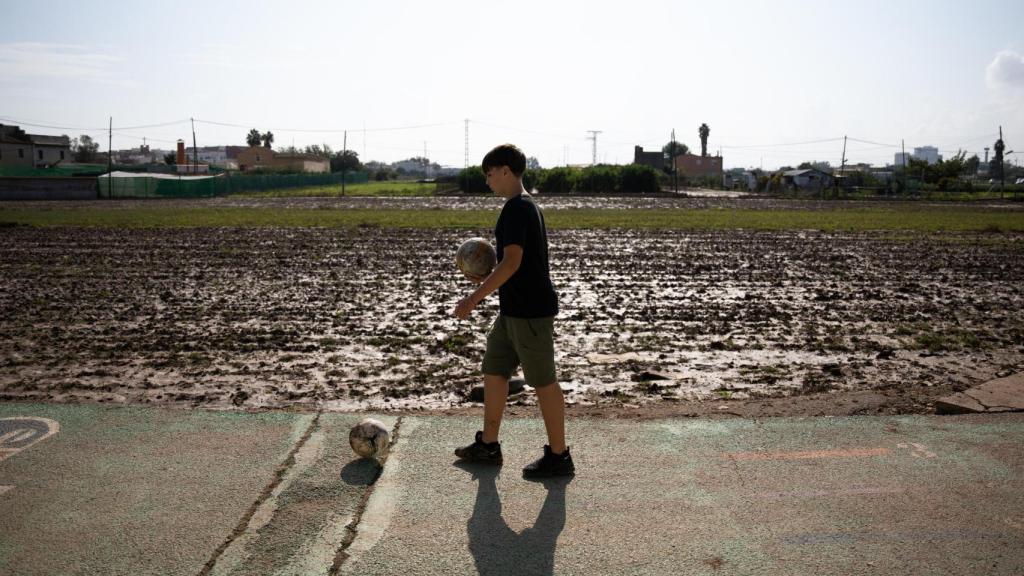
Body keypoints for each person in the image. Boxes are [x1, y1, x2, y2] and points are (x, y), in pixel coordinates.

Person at [453, 143, 574, 478]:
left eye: (490, 175)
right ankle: (488, 446)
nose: (488, 182)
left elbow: (511, 263)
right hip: (511, 313)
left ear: (506, 170)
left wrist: (473, 298)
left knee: (543, 383)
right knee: (494, 371)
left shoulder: (518, 208)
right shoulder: (519, 207)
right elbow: (509, 266)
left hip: (530, 313)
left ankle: (559, 456)